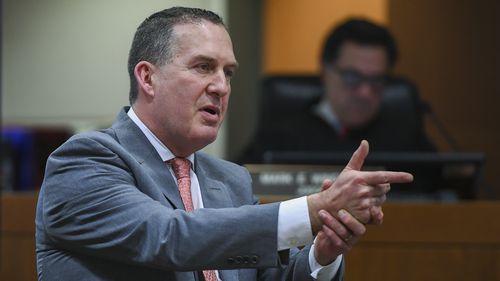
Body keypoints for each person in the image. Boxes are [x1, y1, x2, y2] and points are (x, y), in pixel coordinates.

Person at [35, 7, 413, 281]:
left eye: (227, 72)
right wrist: (312, 209)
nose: (221, 86)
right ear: (148, 78)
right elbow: (171, 238)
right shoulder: (84, 161)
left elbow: (272, 276)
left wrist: (323, 250)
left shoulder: (230, 180)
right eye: (203, 67)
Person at [238, 18, 435, 163]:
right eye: (352, 77)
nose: (365, 92)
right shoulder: (281, 136)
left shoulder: (405, 135)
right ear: (324, 70)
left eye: (376, 80)